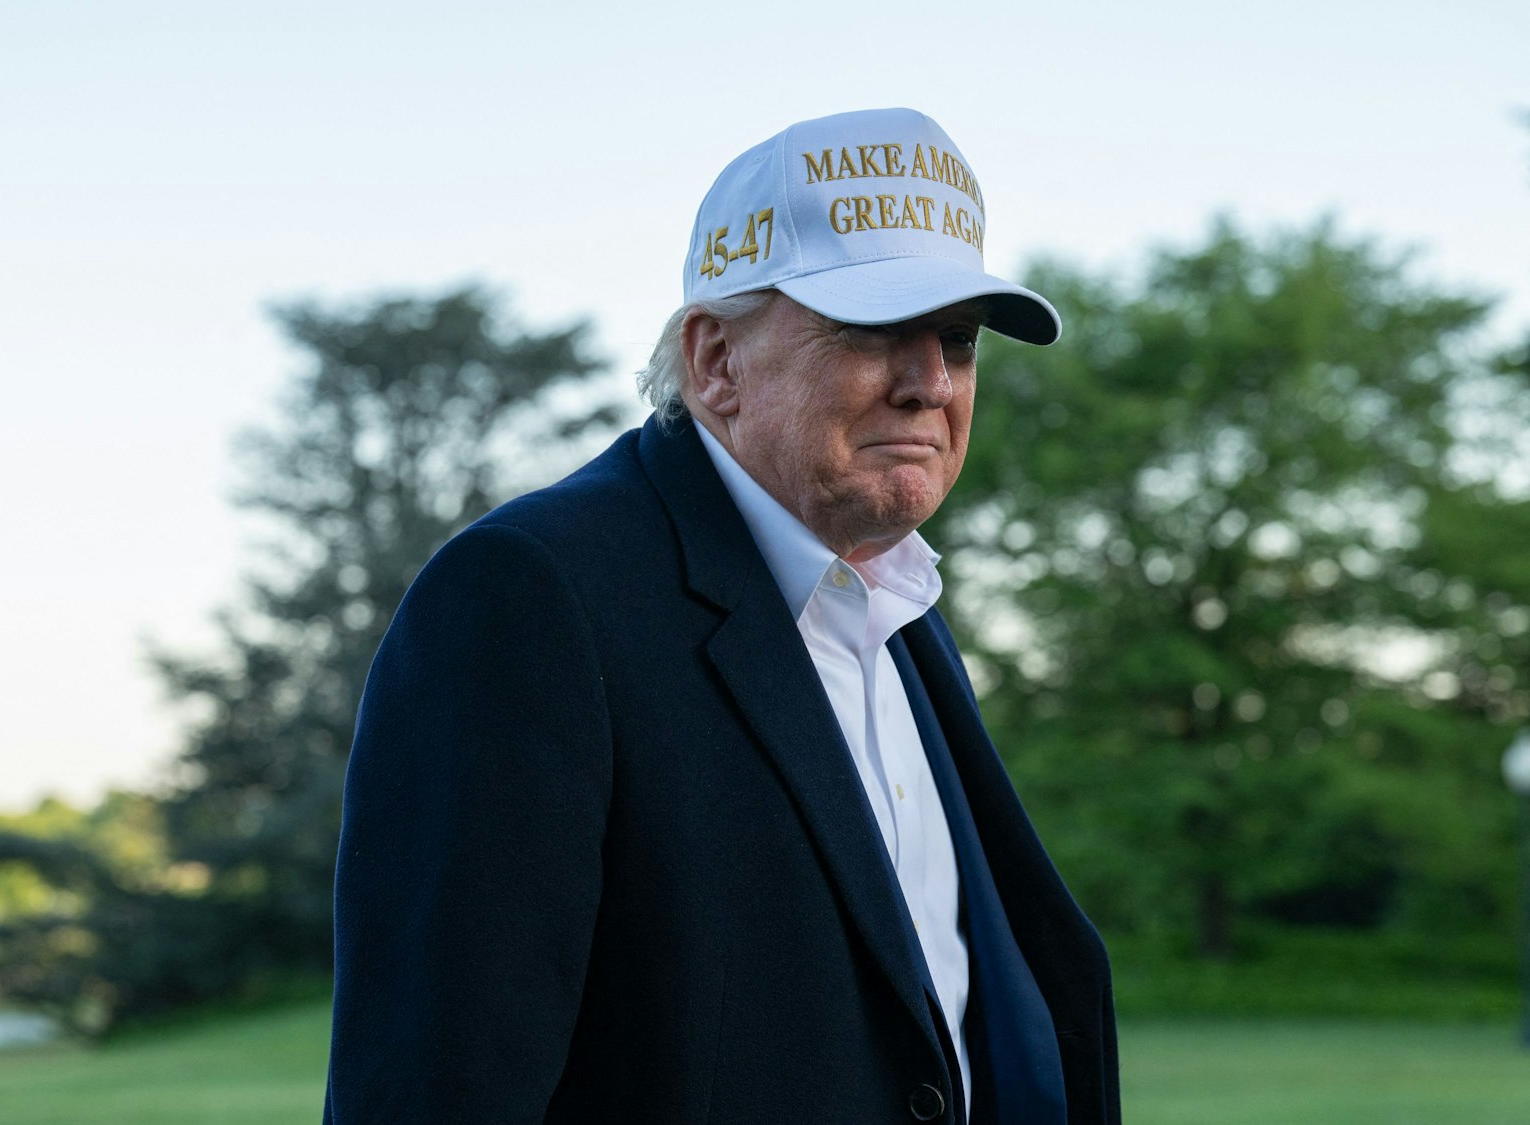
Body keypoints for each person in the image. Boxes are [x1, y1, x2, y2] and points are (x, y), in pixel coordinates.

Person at [324, 108, 1118, 1125]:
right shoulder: (527, 598)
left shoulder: (898, 608)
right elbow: (434, 1091)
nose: (929, 384)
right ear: (715, 361)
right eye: (874, 330)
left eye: (957, 340)